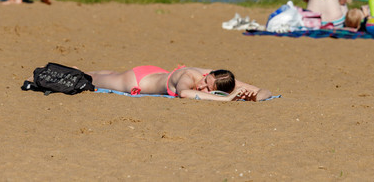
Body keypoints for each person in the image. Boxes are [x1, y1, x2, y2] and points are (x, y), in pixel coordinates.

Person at [87, 65, 272, 101]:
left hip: (156, 74)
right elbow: (184, 93)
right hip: (137, 80)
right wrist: (225, 100)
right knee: (90, 79)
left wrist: (254, 97)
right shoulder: (190, 76)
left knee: (110, 73)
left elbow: (265, 91)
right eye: (205, 81)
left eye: (208, 89)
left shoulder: (223, 80)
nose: (202, 87)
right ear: (208, 74)